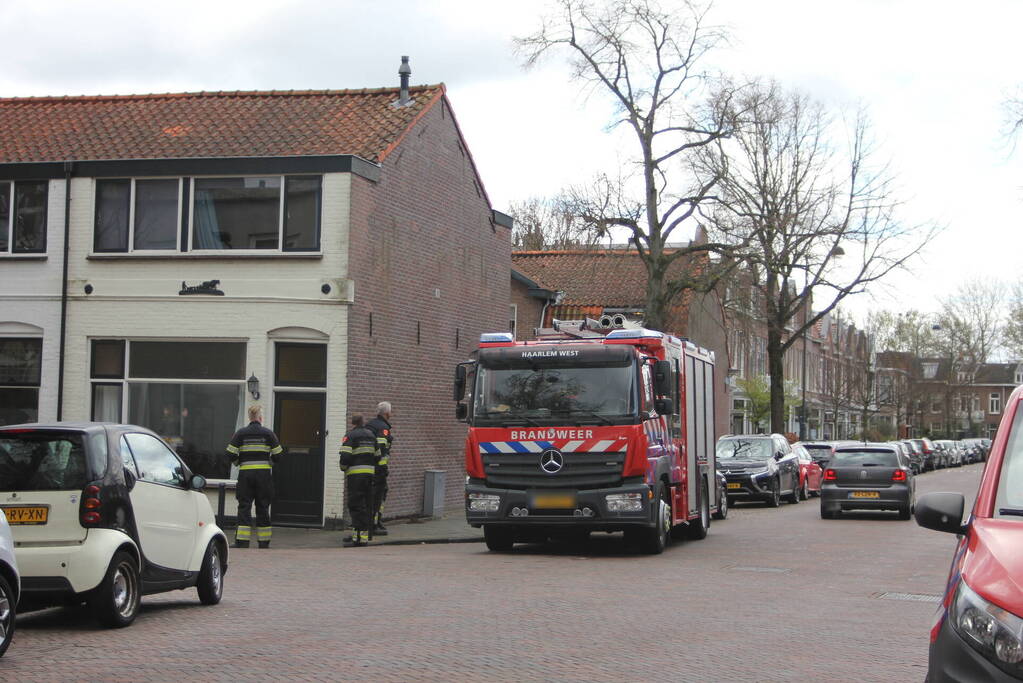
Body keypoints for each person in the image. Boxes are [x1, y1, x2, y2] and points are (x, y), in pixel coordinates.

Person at [225, 405, 283, 549]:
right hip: (263, 476)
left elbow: (230, 453)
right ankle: (264, 542)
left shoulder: (240, 434)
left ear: (250, 418)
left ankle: (242, 542)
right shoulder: (268, 434)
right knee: (263, 506)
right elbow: (279, 455)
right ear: (260, 418)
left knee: (244, 506)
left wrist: (239, 462)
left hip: (246, 475)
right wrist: (269, 463)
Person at [339, 415, 380, 547]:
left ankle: (357, 539)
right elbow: (378, 456)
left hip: (356, 477)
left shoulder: (350, 435)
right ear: (363, 422)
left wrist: (343, 468)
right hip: (369, 476)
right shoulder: (371, 435)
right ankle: (364, 537)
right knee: (367, 505)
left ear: (353, 423)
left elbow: (345, 456)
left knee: (356, 506)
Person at [366, 402, 393, 535]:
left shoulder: (370, 425)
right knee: (378, 495)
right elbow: (381, 449)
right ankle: (375, 523)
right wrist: (382, 467)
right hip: (378, 469)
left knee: (375, 494)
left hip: (367, 467)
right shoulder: (383, 428)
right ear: (387, 413)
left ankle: (374, 521)